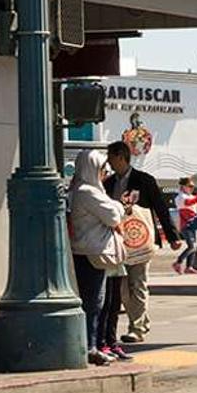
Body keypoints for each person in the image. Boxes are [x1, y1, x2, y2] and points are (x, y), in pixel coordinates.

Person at [103, 141, 180, 345]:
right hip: (118, 242)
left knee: (137, 282)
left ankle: (136, 327)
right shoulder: (108, 183)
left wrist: (172, 236)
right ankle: (140, 321)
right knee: (122, 287)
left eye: (110, 156)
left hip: (141, 241)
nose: (108, 161)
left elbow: (160, 208)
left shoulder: (144, 180)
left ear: (121, 156)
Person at [67, 149, 125, 366]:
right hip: (92, 251)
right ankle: (90, 346)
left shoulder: (78, 190)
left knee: (95, 300)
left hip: (85, 250)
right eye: (102, 169)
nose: (105, 173)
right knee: (94, 301)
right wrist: (119, 206)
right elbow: (113, 215)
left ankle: (92, 344)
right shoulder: (88, 192)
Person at [173, 178, 197, 274]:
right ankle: (178, 262)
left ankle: (189, 267)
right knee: (191, 246)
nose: (192, 188)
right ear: (183, 186)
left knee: (194, 246)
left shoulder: (191, 196)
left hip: (193, 223)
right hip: (186, 224)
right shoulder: (180, 197)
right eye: (190, 186)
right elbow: (188, 203)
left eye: (193, 186)